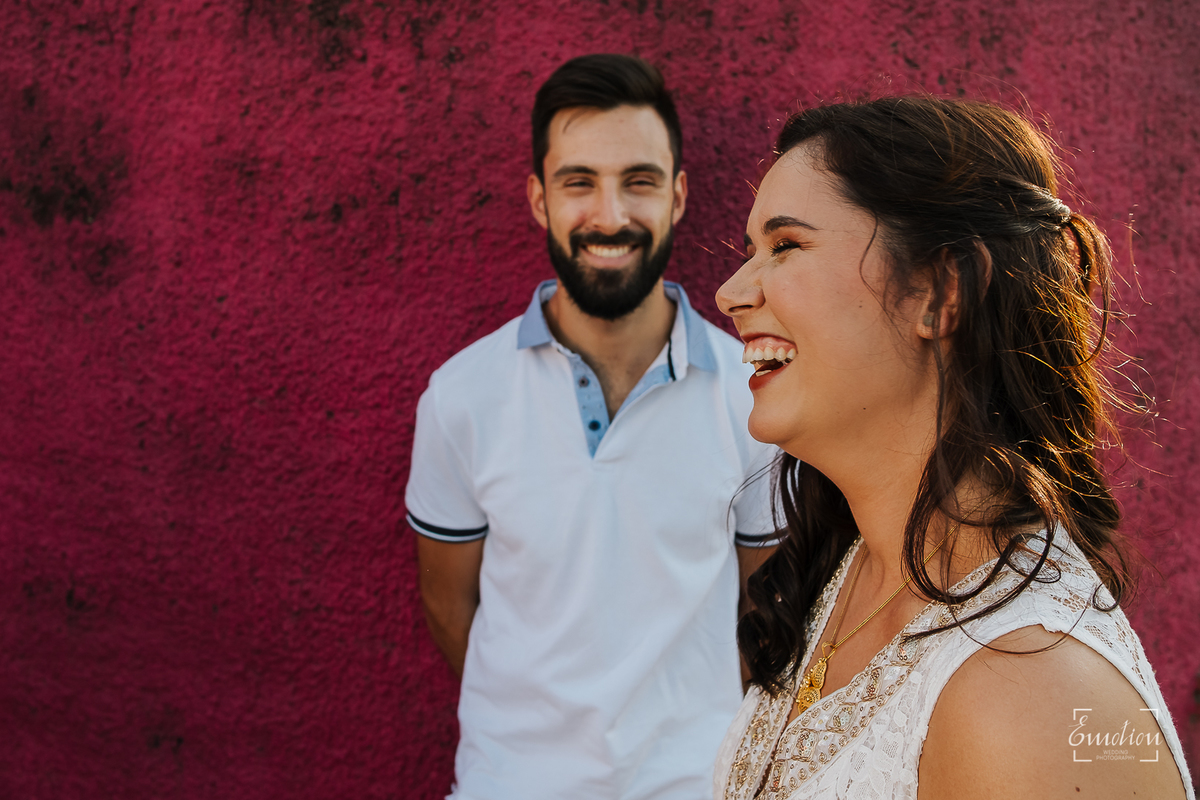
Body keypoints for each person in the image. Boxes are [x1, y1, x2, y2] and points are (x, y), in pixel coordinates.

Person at [712, 96, 1195, 800]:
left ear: (941, 291)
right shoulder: (850, 571)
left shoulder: (1028, 693)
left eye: (786, 245)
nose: (730, 292)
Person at [405, 53, 779, 800]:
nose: (610, 217)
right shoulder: (461, 397)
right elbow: (451, 607)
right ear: (540, 200)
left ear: (676, 197)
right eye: (580, 183)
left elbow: (765, 611)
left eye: (638, 182)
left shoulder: (753, 395)